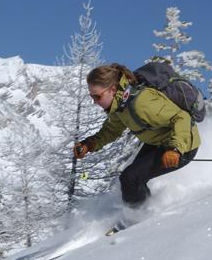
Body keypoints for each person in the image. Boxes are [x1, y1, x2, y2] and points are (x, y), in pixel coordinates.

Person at [74, 63, 200, 209]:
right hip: (158, 142)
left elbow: (182, 117)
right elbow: (111, 130)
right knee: (133, 178)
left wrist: (175, 149)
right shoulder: (120, 105)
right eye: (92, 97)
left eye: (97, 96)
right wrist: (89, 144)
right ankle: (146, 210)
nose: (94, 102)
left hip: (182, 146)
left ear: (112, 89)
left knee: (130, 178)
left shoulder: (141, 103)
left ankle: (136, 219)